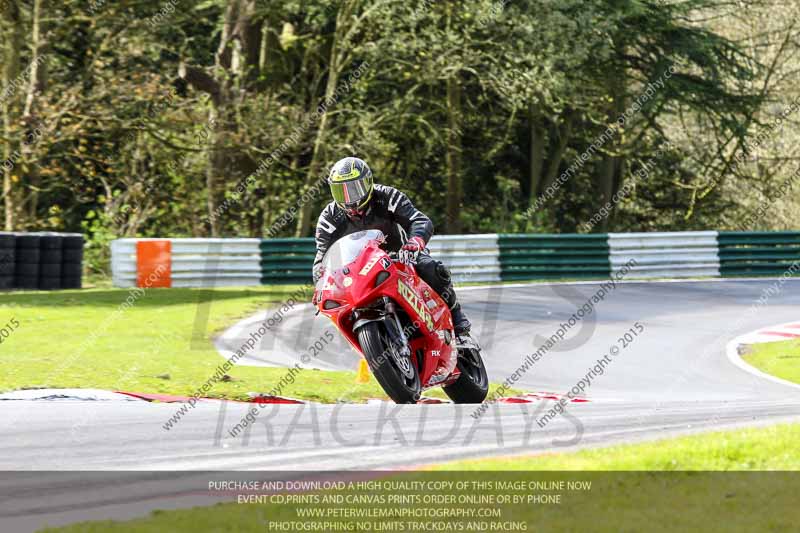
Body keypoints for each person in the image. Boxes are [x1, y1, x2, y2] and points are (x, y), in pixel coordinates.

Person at [312, 156, 473, 340]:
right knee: (342, 304)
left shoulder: (387, 197)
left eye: (354, 189)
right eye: (342, 192)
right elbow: (322, 256)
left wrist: (414, 243)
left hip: (401, 257)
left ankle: (456, 315)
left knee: (432, 268)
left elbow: (419, 220)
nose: (349, 199)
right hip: (359, 272)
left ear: (368, 182)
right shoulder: (329, 217)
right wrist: (320, 283)